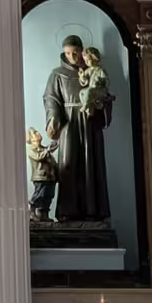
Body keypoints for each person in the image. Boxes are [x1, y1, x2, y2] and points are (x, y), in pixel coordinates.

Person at [42, 35, 112, 223]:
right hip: (68, 124)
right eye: (68, 53)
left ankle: (94, 212)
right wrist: (53, 118)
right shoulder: (57, 74)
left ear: (82, 51)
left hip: (90, 123)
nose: (72, 56)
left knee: (92, 164)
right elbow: (51, 99)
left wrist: (101, 101)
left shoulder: (94, 71)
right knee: (68, 164)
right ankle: (67, 212)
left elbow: (104, 92)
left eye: (75, 52)